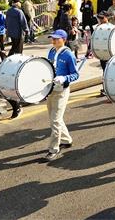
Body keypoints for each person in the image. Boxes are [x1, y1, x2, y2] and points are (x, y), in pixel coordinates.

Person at [42, 29, 79, 162]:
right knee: (54, 118)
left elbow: (75, 74)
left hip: (62, 91)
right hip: (51, 89)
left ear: (63, 39)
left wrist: (64, 78)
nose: (54, 41)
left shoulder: (69, 55)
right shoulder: (51, 51)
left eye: (57, 39)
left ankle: (54, 149)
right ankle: (67, 140)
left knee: (55, 120)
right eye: (53, 38)